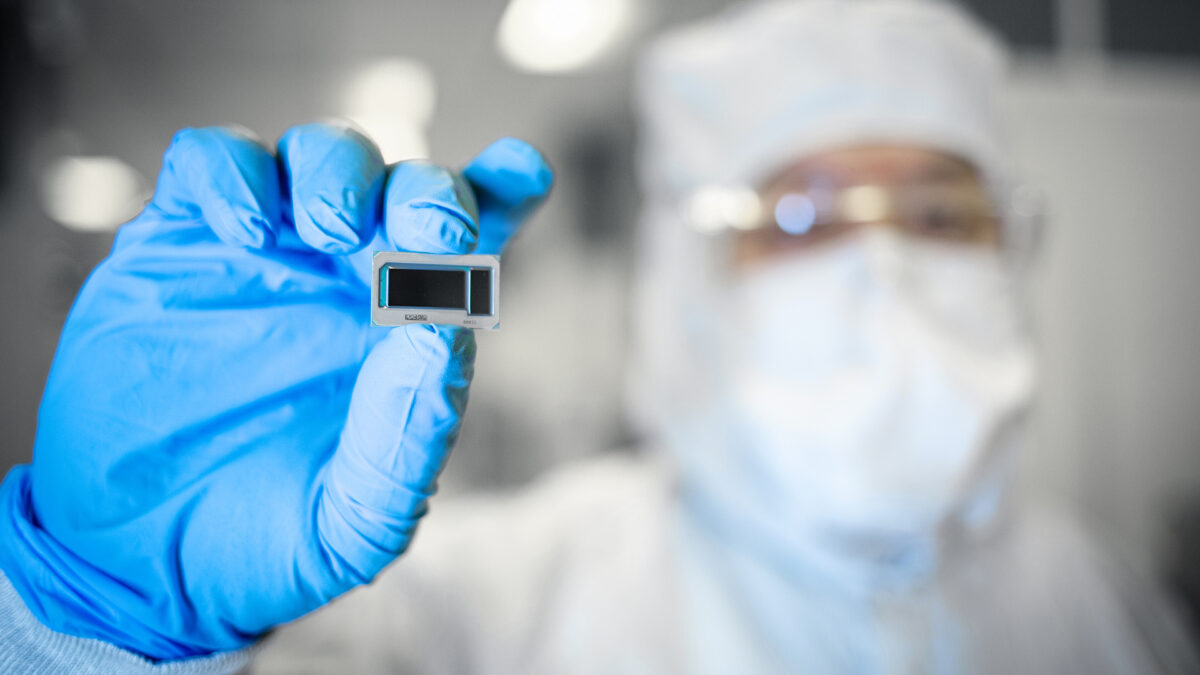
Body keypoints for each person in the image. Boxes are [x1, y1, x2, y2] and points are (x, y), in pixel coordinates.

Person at [0, 0, 1195, 673]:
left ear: (1015, 245)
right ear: (692, 279)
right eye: (802, 214)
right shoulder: (489, 604)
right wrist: (100, 619)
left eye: (940, 213)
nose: (882, 269)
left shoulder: (1100, 604)